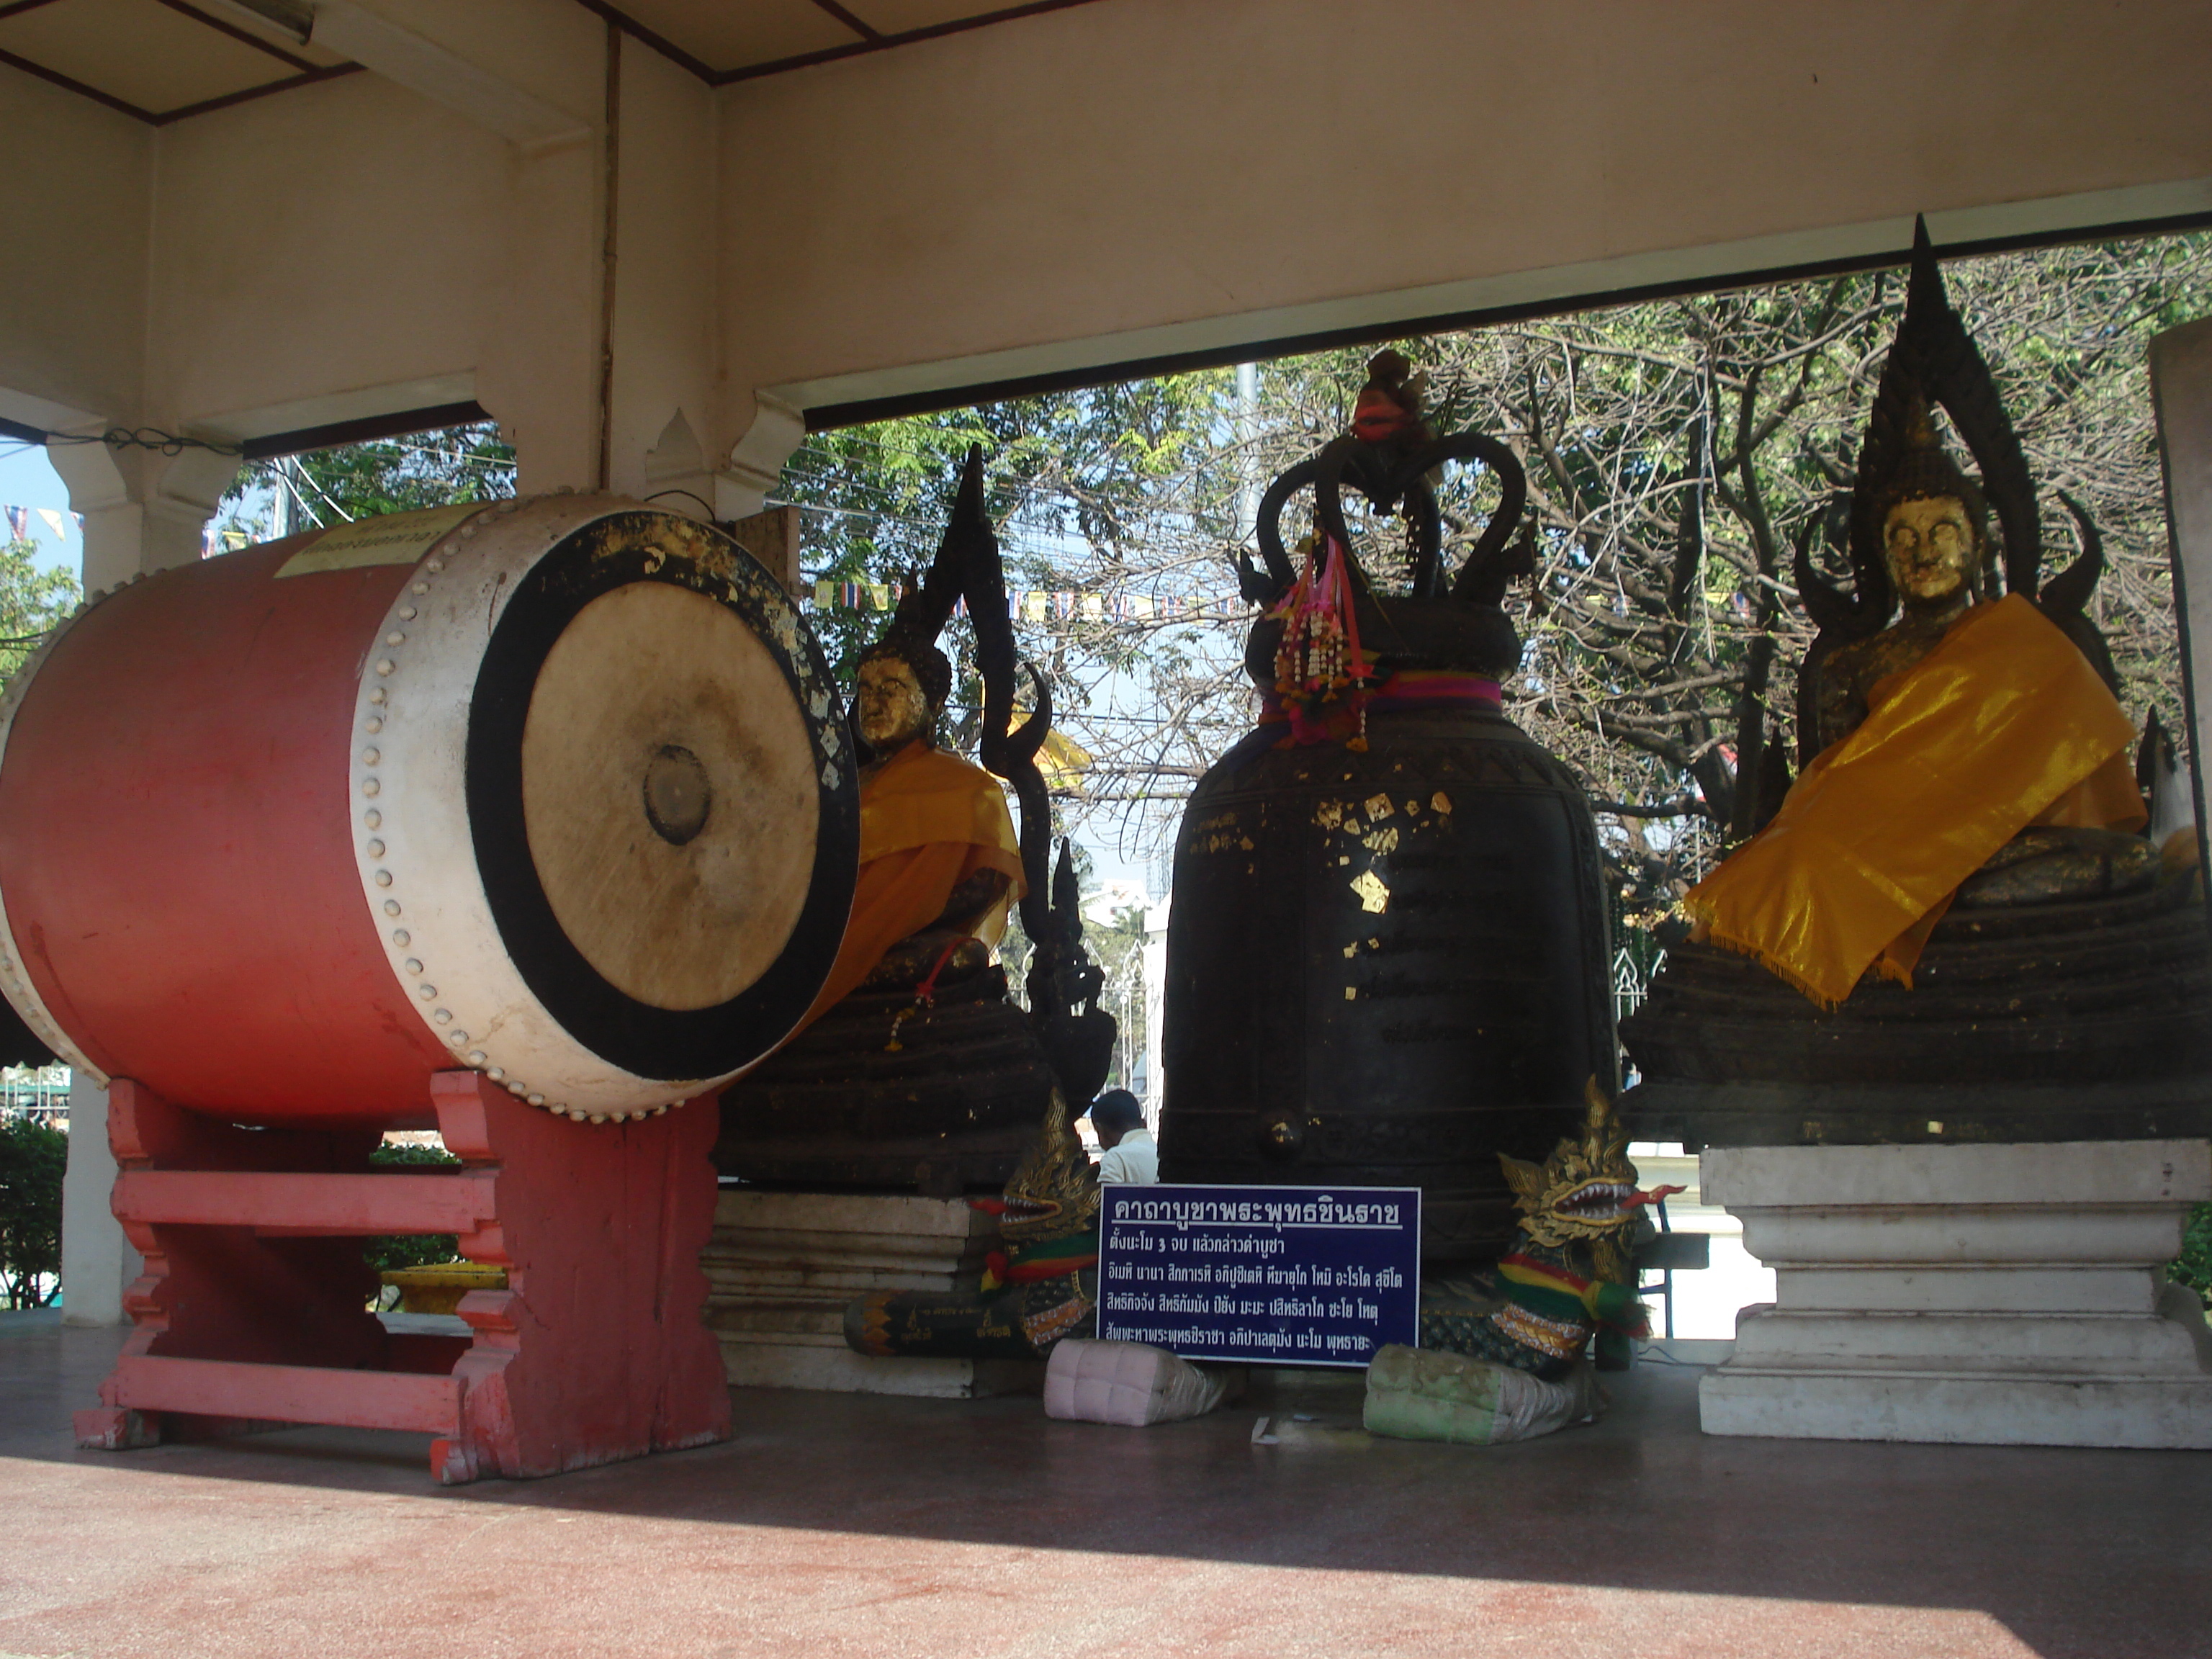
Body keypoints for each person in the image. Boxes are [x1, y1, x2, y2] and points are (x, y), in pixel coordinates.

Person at [793, 629, 1025, 1030]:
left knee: (957, 958)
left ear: (933, 704)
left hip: (911, 944)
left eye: (892, 689)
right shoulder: (838, 791)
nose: (874, 703)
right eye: (865, 690)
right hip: (829, 943)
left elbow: (983, 885)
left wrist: (899, 918)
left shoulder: (970, 789)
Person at [1088, 1089, 1157, 1185]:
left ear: (1101, 1130)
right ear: (1143, 1123)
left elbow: (1105, 1198)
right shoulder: (1160, 1153)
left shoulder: (1115, 1158)